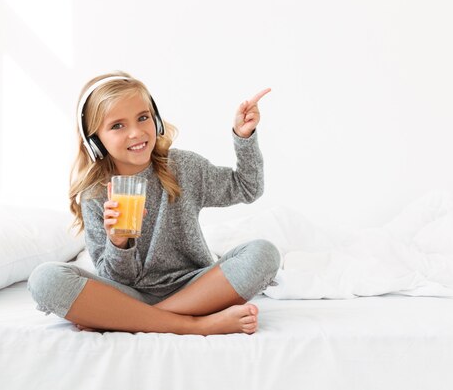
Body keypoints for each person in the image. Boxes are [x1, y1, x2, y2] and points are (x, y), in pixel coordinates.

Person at [28, 71, 280, 335]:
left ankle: (132, 320)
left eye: (143, 118)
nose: (136, 133)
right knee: (45, 279)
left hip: (197, 288)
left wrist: (244, 137)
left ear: (156, 120)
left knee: (263, 253)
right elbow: (117, 279)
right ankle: (195, 324)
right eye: (117, 125)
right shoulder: (94, 194)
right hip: (128, 294)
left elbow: (247, 188)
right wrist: (118, 242)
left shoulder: (183, 167)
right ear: (94, 140)